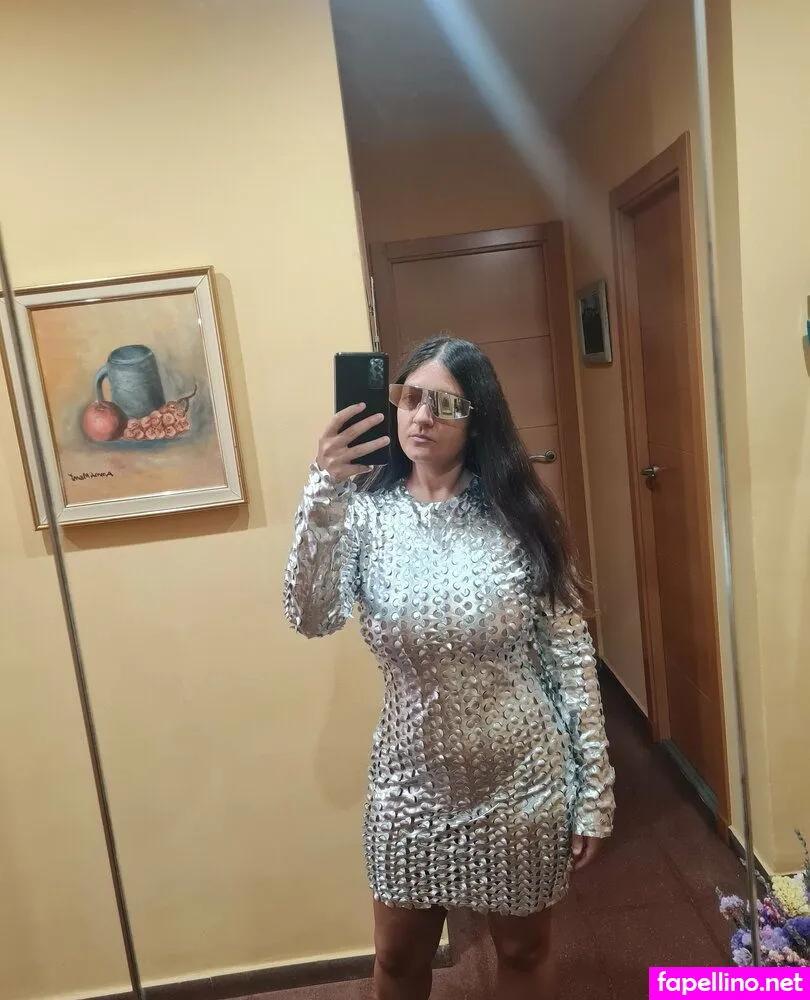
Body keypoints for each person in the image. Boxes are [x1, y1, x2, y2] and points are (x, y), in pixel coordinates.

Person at [284, 336, 615, 1000]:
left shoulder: (519, 516)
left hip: (522, 779)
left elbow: (570, 656)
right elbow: (310, 615)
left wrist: (594, 790)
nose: (421, 417)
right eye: (410, 397)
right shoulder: (363, 512)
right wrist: (324, 490)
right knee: (397, 957)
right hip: (409, 783)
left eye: (445, 405)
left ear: (477, 419)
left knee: (523, 950)